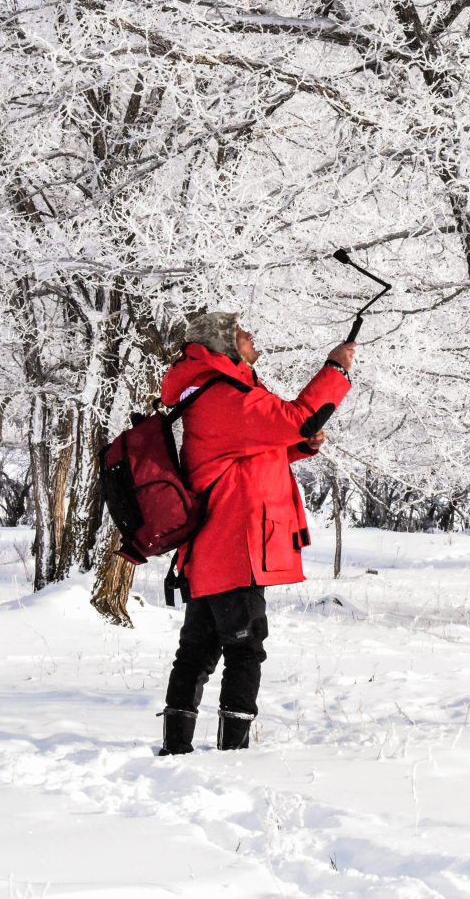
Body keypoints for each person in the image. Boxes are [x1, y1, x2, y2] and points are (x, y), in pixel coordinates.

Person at [156, 311, 355, 755]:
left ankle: (176, 748)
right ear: (224, 346)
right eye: (241, 331)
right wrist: (335, 370)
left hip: (216, 544)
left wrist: (301, 445)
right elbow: (297, 415)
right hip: (234, 543)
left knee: (197, 651)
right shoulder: (225, 394)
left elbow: (251, 453)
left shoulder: (217, 392)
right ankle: (232, 753)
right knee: (245, 649)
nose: (251, 335)